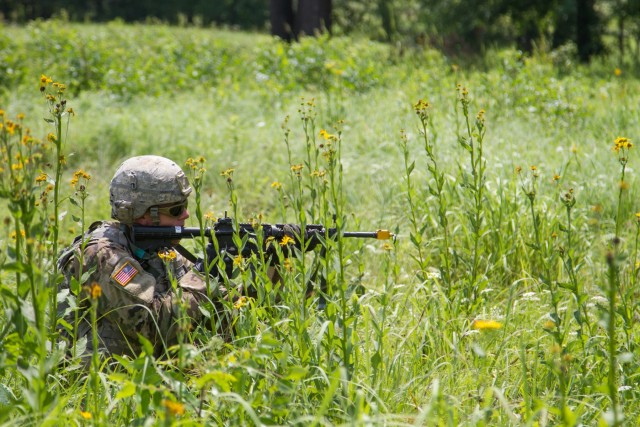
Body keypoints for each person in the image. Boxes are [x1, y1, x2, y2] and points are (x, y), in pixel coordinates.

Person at [57, 155, 221, 362]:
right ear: (143, 214)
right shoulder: (101, 256)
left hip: (150, 371)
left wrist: (262, 271)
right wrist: (204, 274)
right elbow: (147, 325)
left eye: (185, 204)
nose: (186, 214)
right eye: (176, 209)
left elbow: (217, 306)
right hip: (103, 382)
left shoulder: (158, 249)